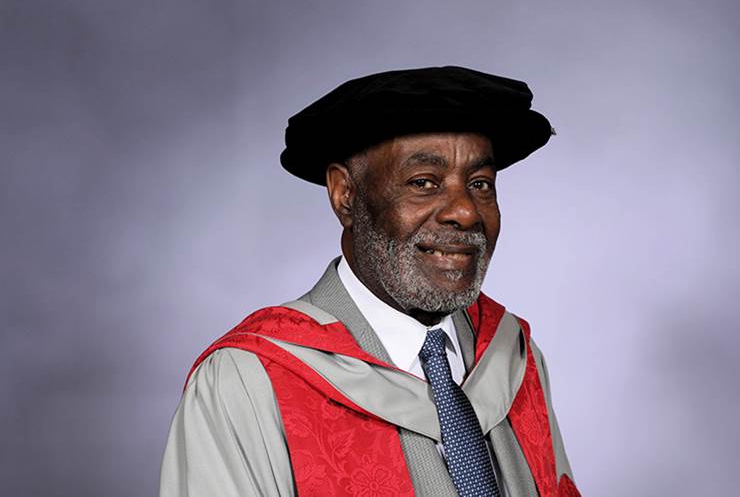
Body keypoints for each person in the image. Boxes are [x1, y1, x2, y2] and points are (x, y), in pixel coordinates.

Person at [159, 66, 581, 497]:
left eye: (480, 183)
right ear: (346, 196)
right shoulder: (248, 380)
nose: (466, 212)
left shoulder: (512, 354)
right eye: (423, 183)